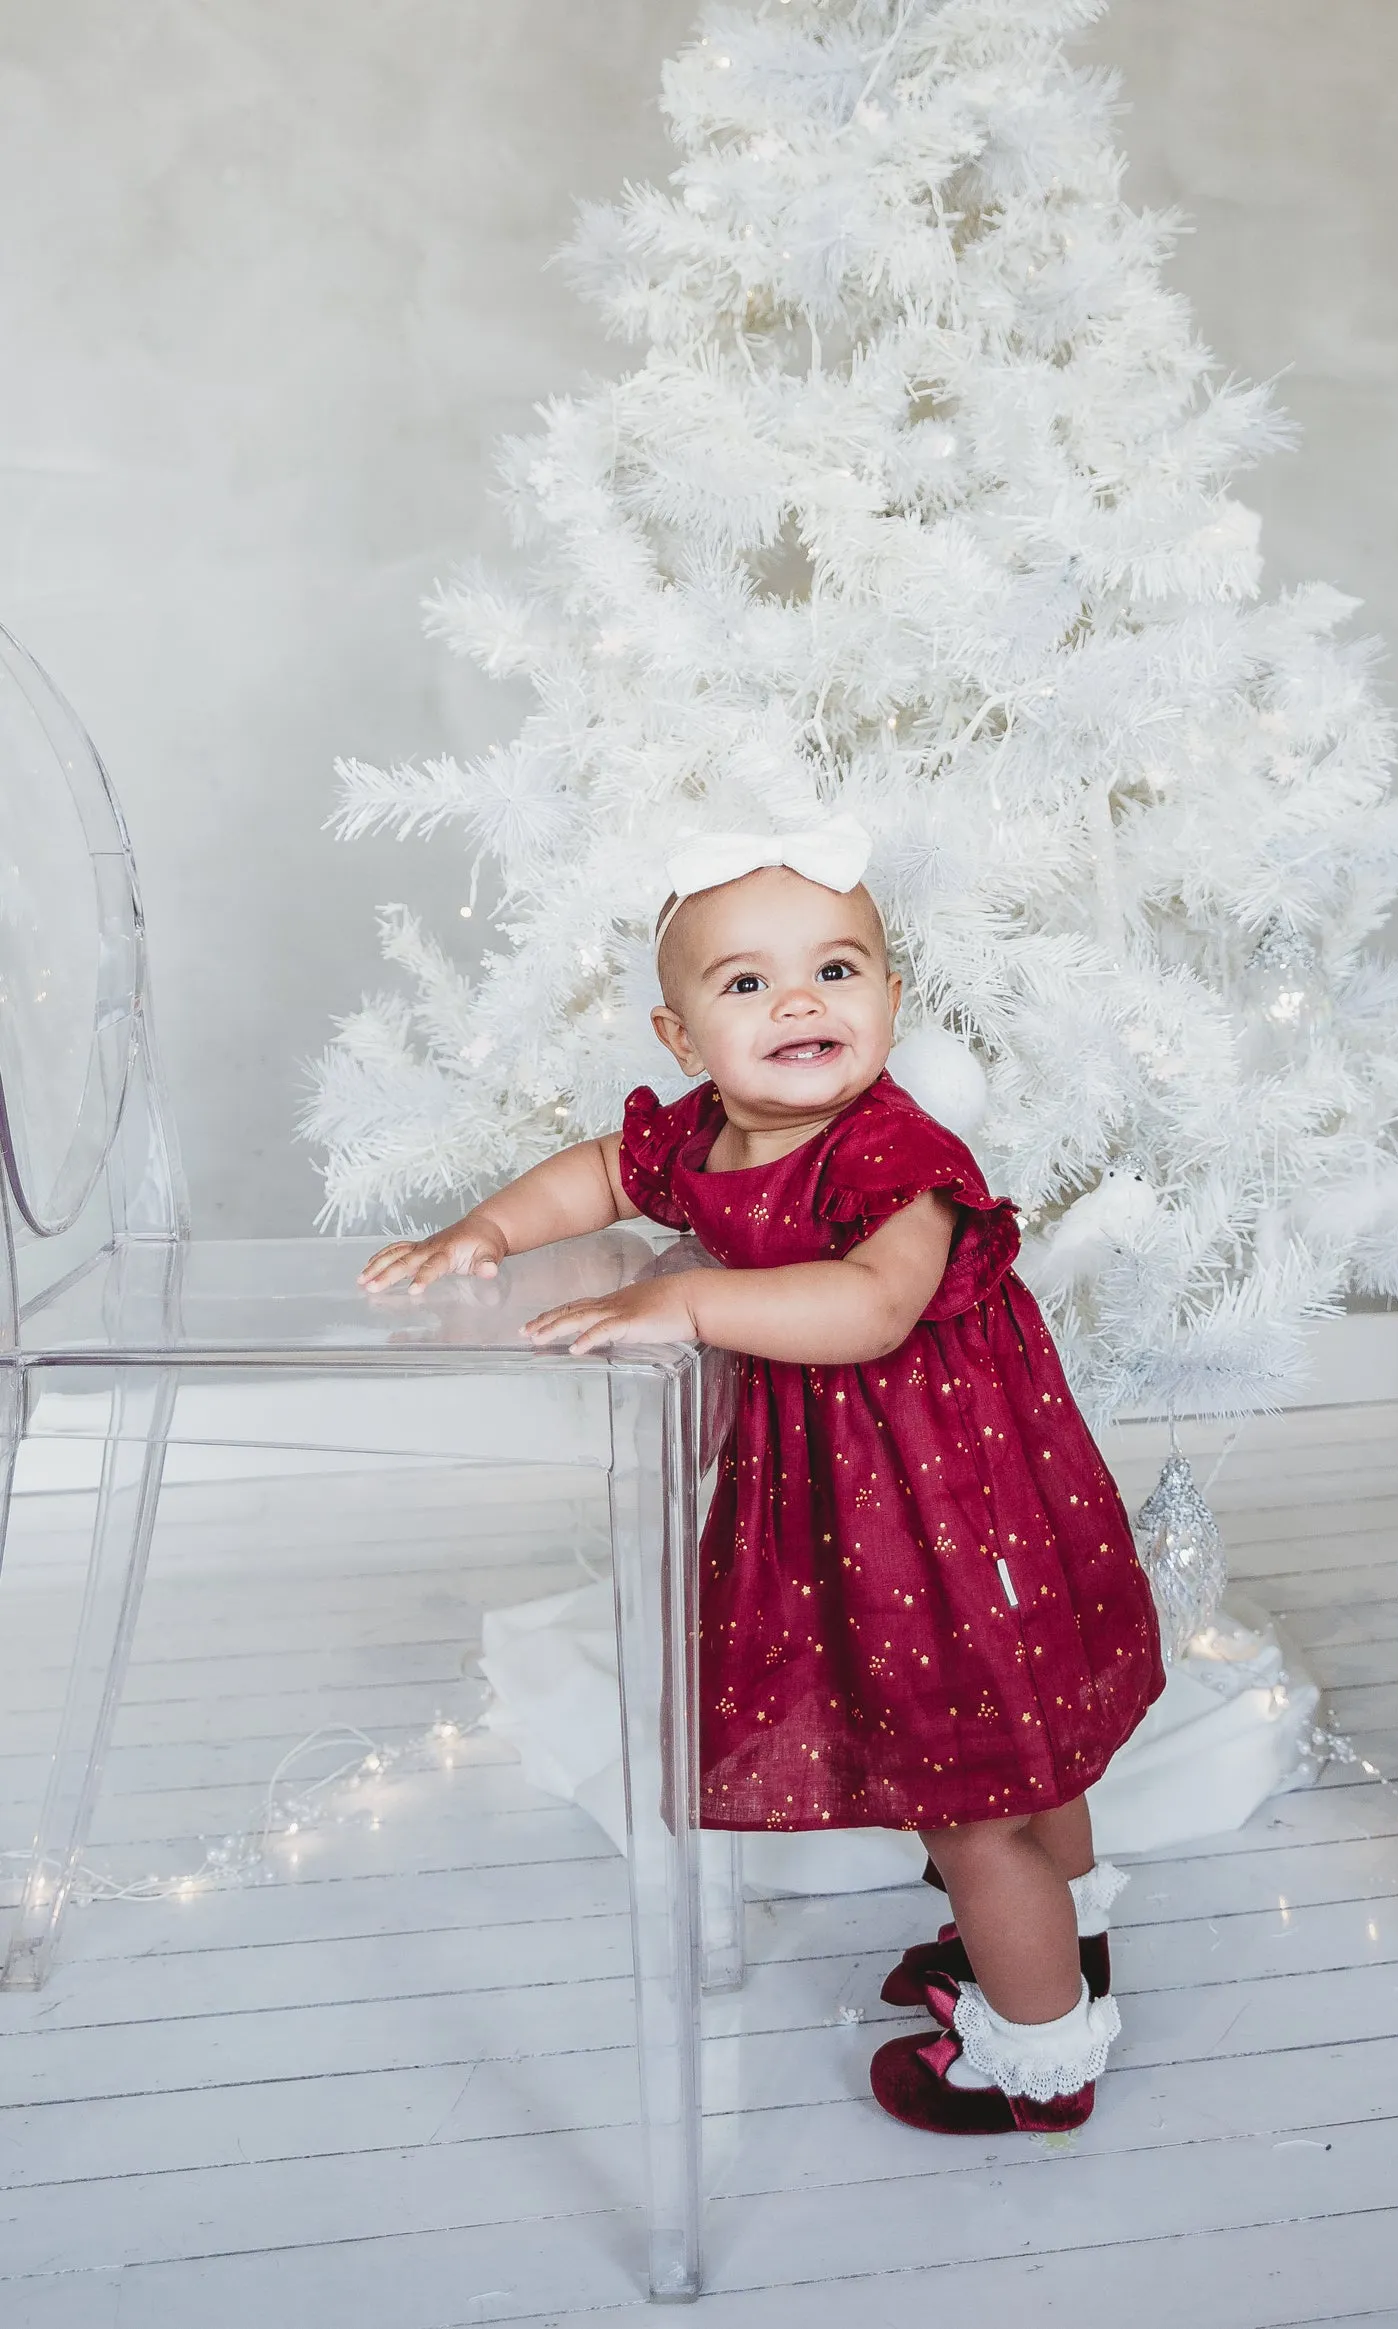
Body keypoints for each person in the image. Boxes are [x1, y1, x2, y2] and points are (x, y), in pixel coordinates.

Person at [360, 818, 1164, 2134]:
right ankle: (1060, 1942)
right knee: (1012, 1744)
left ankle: (1040, 2052)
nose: (800, 1001)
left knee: (976, 1803)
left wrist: (687, 1309)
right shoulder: (706, 1137)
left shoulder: (895, 1158)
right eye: (747, 984)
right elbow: (599, 1174)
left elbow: (869, 1312)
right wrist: (487, 1228)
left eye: (838, 971)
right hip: (879, 1510)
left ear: (893, 1001)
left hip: (948, 1512)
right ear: (681, 1040)